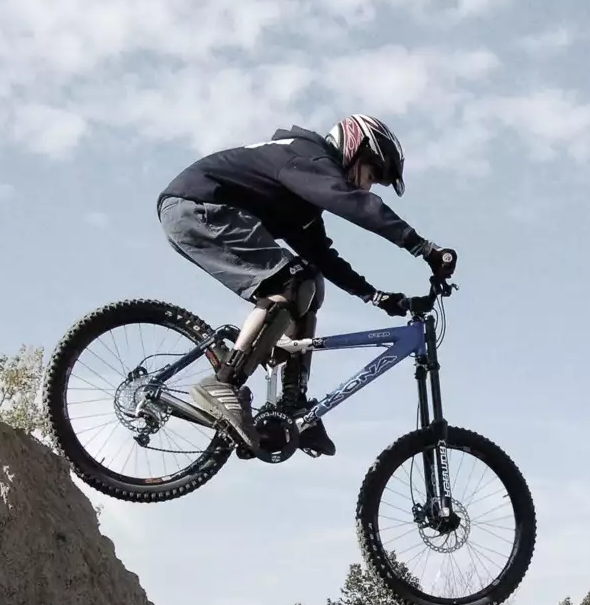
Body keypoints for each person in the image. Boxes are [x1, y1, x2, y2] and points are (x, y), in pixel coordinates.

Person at [156, 113, 456, 455]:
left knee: (309, 280)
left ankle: (292, 403)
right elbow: (356, 204)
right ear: (355, 149)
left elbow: (324, 257)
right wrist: (424, 248)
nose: (366, 187)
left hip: (201, 211)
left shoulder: (304, 198)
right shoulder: (305, 157)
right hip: (199, 206)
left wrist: (377, 297)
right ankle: (224, 383)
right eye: (371, 176)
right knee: (291, 281)